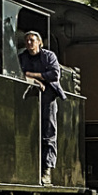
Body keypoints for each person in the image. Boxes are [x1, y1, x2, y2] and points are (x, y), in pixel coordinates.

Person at [18, 29, 63, 184]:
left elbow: (54, 74)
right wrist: (35, 80)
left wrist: (32, 75)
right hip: (28, 95)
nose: (30, 43)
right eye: (27, 40)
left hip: (48, 96)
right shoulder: (22, 57)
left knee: (49, 132)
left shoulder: (49, 56)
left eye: (32, 40)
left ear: (39, 42)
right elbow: (17, 72)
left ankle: (47, 169)